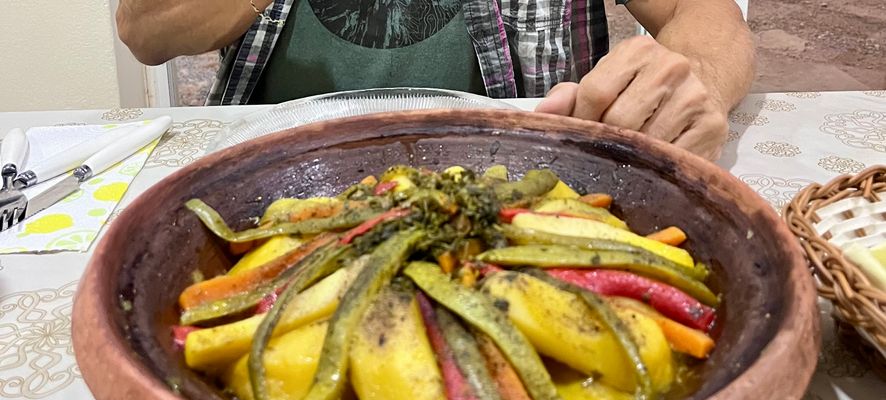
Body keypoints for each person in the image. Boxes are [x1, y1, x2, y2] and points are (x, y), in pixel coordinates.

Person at [116, 0, 753, 160]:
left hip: (516, 185)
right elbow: (146, 30)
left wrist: (694, 79)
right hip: (276, 181)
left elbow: (702, 14)